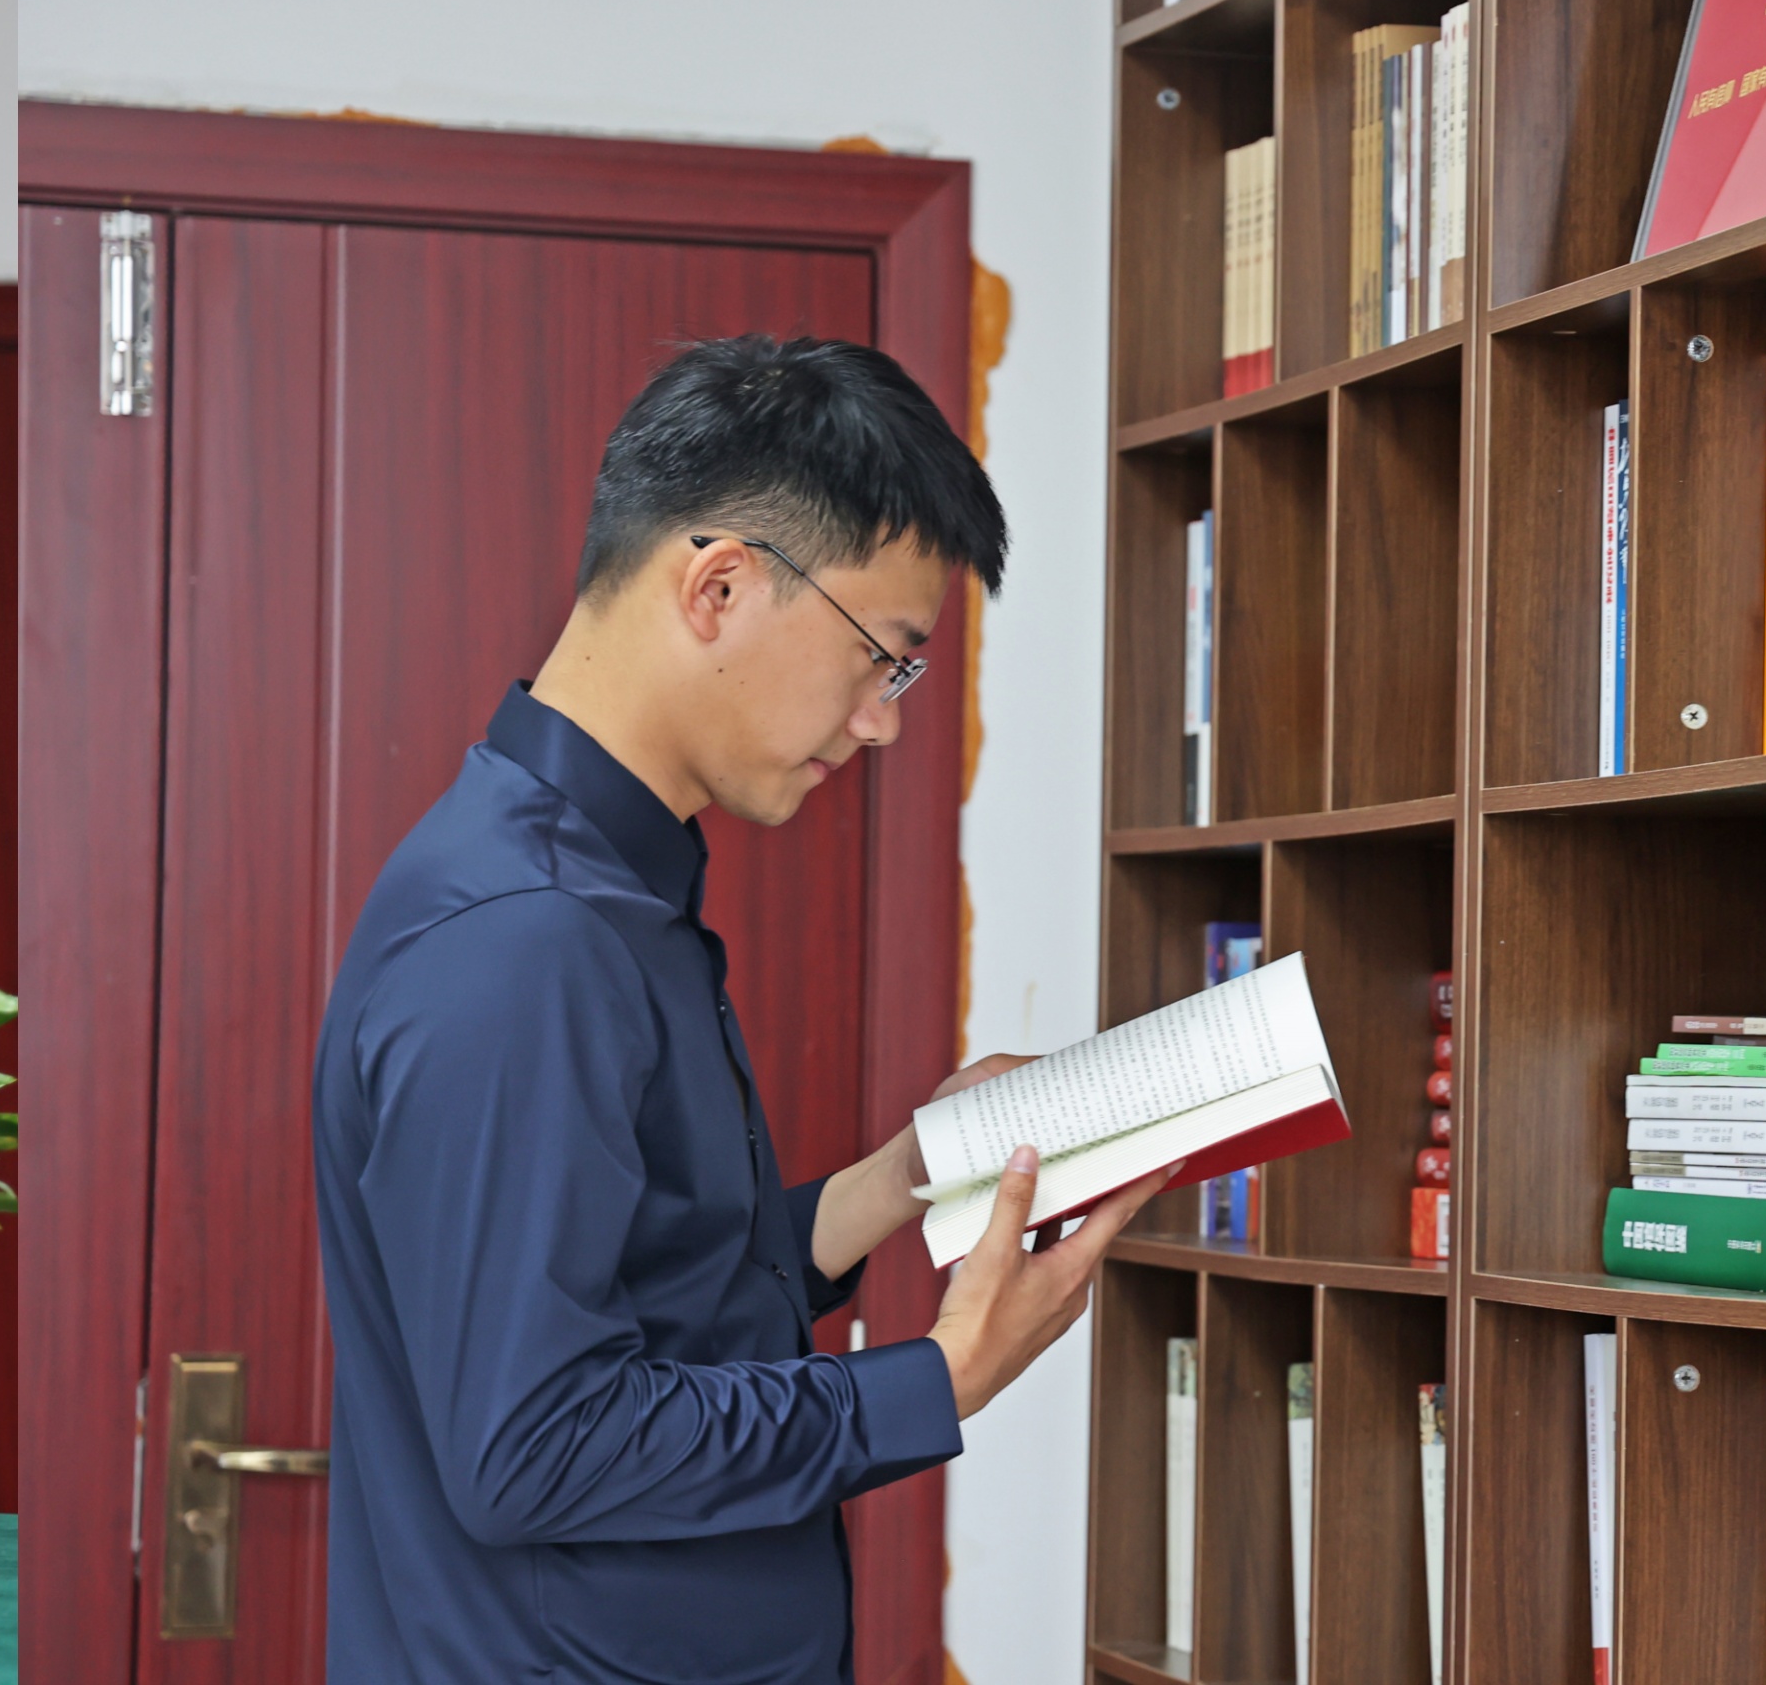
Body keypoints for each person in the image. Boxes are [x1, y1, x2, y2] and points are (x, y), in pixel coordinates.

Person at [315, 337, 1164, 1680]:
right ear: (718, 586)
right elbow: (534, 1447)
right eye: (882, 657)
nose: (882, 722)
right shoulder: (526, 940)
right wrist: (938, 1377)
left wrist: (905, 1174)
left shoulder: (598, 895)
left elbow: (656, 1283)